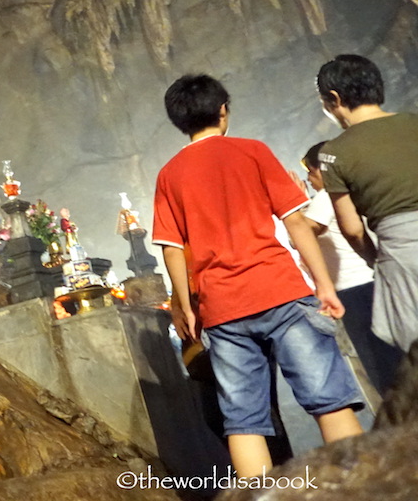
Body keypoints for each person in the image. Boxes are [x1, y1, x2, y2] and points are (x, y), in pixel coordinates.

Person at [151, 74, 363, 478]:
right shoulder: (252, 151)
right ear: (222, 110)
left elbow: (172, 248)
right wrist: (323, 283)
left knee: (244, 422)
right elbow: (296, 223)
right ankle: (366, 489)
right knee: (329, 401)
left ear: (179, 121)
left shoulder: (170, 174)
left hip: (223, 308)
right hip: (280, 291)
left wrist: (189, 307)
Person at [316, 54, 418, 363]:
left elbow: (352, 228)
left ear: (334, 99)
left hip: (402, 254)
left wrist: (375, 260)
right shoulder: (414, 122)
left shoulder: (333, 154)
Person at [302, 141, 403, 391]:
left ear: (323, 170)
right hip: (377, 280)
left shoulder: (328, 196)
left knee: (377, 367)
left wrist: (295, 209)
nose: (308, 179)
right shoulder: (361, 188)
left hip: (353, 289)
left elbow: (300, 234)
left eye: (311, 172)